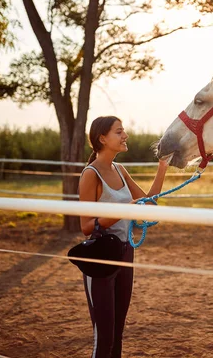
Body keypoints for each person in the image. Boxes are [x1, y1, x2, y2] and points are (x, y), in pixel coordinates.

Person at [79, 115, 169, 358]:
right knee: (104, 338)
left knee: (117, 336)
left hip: (126, 253)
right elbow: (86, 226)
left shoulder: (120, 170)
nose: (125, 135)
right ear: (102, 138)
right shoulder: (91, 175)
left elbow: (148, 204)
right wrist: (123, 211)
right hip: (101, 258)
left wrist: (162, 168)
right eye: (119, 132)